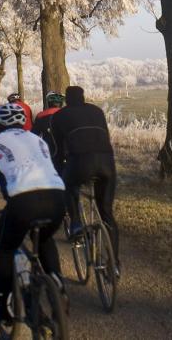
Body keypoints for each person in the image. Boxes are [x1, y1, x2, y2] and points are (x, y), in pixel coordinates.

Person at [0, 103, 66, 324]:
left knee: (4, 249)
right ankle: (56, 281)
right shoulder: (37, 140)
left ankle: (5, 305)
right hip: (57, 198)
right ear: (23, 122)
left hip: (22, 201)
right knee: (45, 238)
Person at [51, 86, 120, 273]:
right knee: (106, 213)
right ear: (83, 97)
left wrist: (58, 171)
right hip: (107, 161)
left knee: (68, 185)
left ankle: (75, 223)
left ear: (67, 100)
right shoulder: (97, 111)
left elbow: (57, 151)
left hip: (80, 161)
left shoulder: (59, 116)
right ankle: (114, 264)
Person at [32, 91, 65, 171]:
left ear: (48, 103)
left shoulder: (41, 115)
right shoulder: (66, 113)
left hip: (49, 150)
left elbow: (34, 135)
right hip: (65, 150)